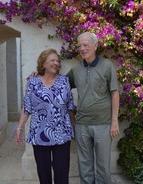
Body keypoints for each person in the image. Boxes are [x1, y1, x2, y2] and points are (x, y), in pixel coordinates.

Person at [66, 32, 120, 184]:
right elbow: (60, 84)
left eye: (86, 45)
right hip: (82, 124)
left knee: (103, 166)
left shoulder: (107, 66)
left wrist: (114, 122)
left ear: (95, 46)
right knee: (84, 165)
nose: (82, 48)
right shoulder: (76, 70)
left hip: (103, 124)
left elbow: (115, 93)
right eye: (80, 46)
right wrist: (41, 74)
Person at [15, 48, 75, 184]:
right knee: (44, 176)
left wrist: (74, 126)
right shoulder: (32, 81)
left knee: (62, 174)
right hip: (39, 134)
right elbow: (27, 107)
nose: (56, 63)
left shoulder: (64, 81)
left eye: (58, 61)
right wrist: (19, 127)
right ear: (43, 63)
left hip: (62, 134)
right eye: (52, 60)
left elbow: (70, 106)